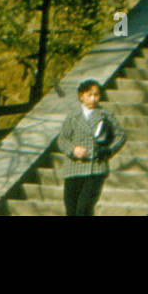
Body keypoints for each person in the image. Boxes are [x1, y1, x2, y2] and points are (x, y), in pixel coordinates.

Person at [59, 79, 126, 216]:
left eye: (96, 95)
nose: (93, 99)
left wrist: (109, 150)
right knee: (71, 211)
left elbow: (120, 135)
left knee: (84, 209)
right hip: (73, 168)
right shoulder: (73, 116)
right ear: (81, 96)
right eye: (90, 95)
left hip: (95, 168)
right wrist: (73, 149)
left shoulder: (105, 115)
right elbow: (62, 139)